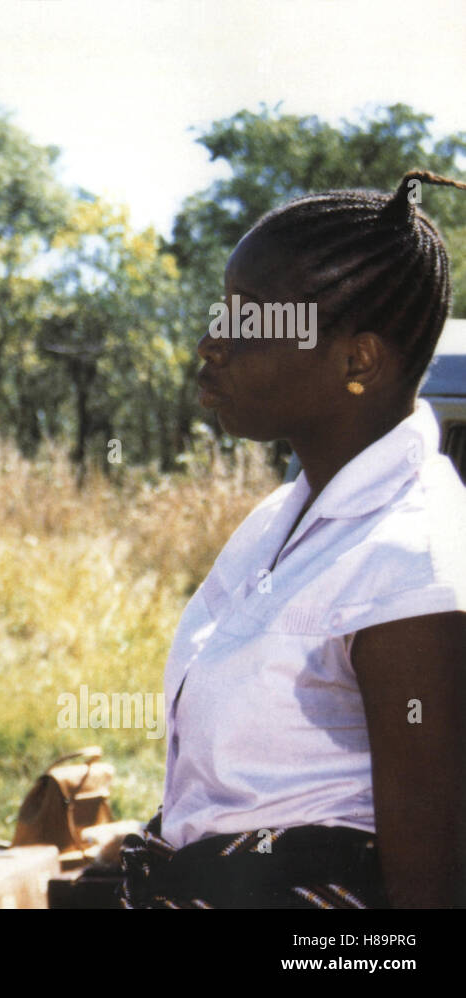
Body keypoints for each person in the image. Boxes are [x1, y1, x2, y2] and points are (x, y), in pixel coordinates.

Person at [120, 171, 466, 908]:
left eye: (252, 321)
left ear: (357, 362)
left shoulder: (415, 563)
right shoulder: (277, 519)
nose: (214, 341)